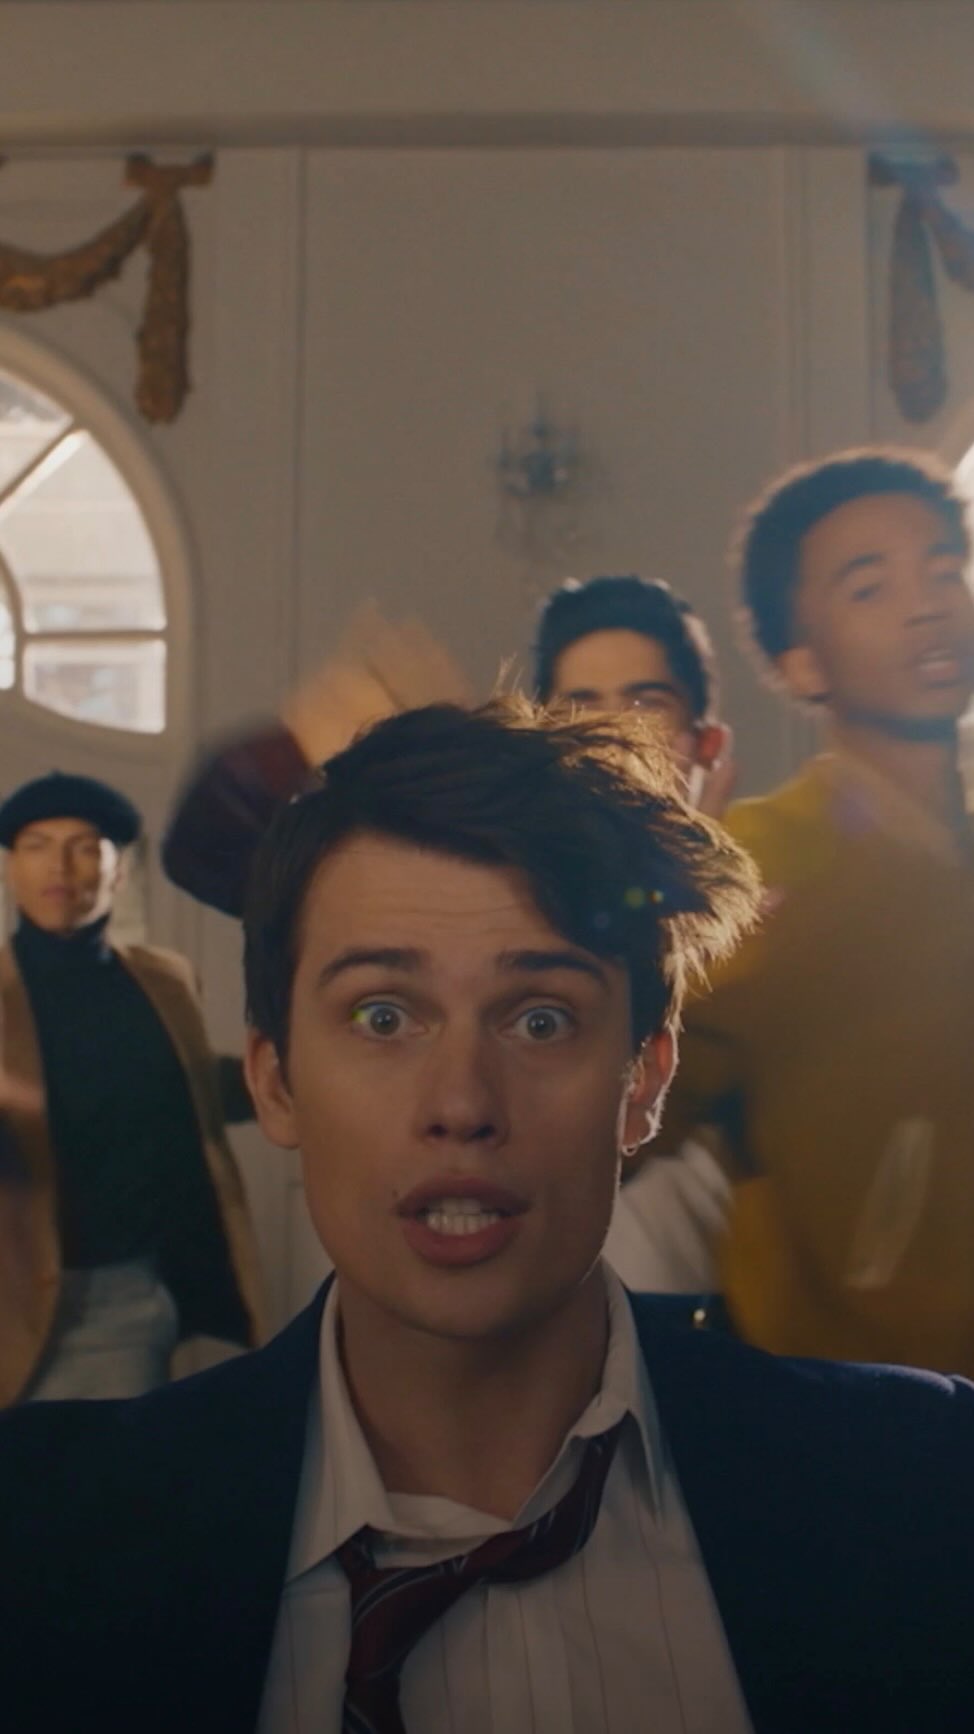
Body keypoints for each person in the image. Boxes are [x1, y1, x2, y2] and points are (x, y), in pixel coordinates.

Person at [2, 702, 973, 1734]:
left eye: (540, 1019)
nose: (462, 1103)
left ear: (645, 1079)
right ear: (275, 1081)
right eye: (382, 1015)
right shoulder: (42, 1538)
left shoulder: (920, 1481)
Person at [653, 446, 974, 1372]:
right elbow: (634, 1106)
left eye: (943, 569)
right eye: (870, 588)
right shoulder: (767, 858)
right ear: (800, 664)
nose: (927, 605)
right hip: (858, 1396)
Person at [0, 771, 263, 1405]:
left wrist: (294, 1071)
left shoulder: (166, 979)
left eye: (84, 846)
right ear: (9, 867)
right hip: (11, 1290)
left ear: (118, 870)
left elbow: (189, 1088)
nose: (60, 865)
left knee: (119, 1466)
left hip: (127, 1302)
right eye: (37, 845)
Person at [533, 574, 738, 1293]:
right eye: (581, 705)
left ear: (705, 741)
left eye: (646, 703)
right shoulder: (497, 901)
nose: (615, 732)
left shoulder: (768, 920)